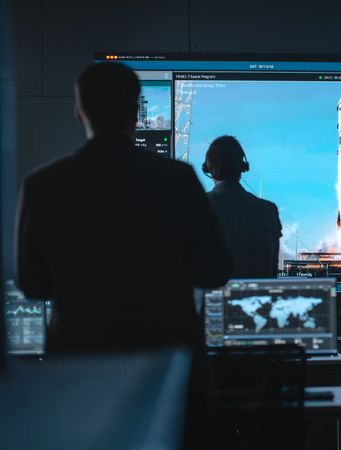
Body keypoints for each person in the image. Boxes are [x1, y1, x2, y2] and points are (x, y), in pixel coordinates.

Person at [15, 62, 233, 353]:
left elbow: (33, 286)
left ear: (79, 115)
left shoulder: (40, 185)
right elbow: (215, 271)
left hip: (78, 362)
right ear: (135, 113)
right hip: (167, 363)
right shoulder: (178, 179)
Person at [203, 136, 282, 278]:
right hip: (257, 298)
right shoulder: (269, 211)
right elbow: (273, 271)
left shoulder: (194, 207)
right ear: (243, 167)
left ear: (207, 168)